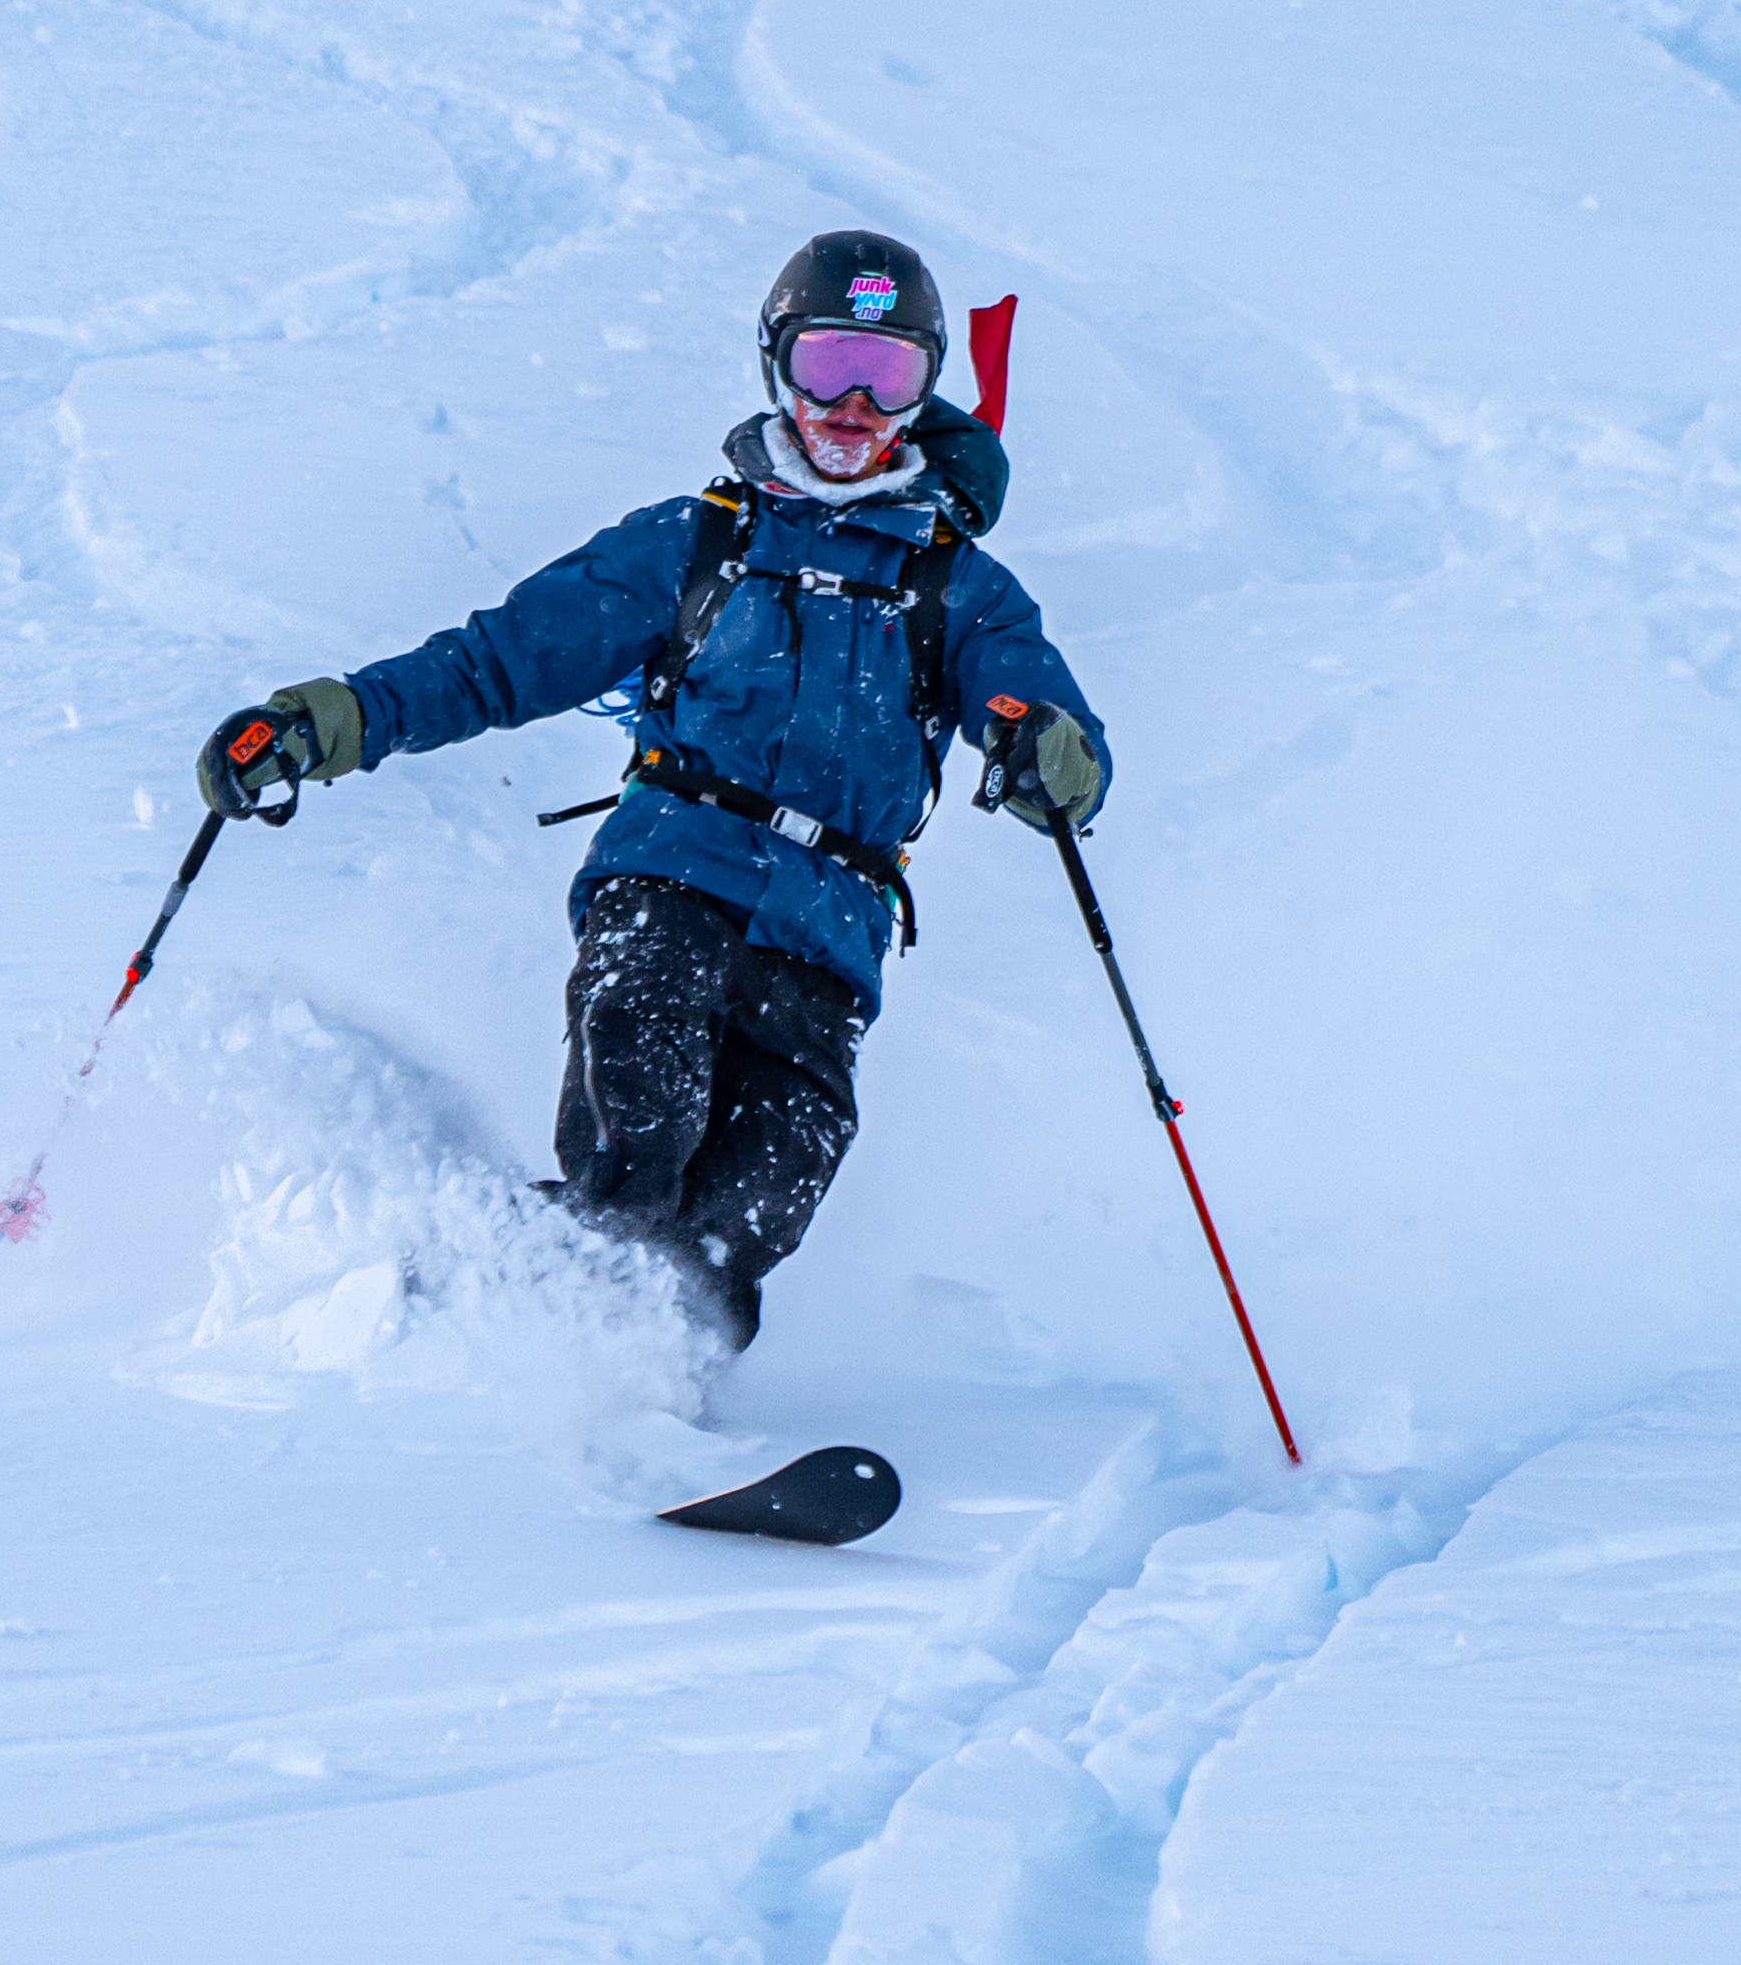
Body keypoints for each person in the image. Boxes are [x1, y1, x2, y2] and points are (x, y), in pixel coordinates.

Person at [194, 230, 1112, 1347]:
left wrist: (1043, 753)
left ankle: (640, 1398)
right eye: (828, 367)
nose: (853, 405)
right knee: (642, 1113)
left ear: (924, 394)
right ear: (777, 366)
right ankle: (482, 1331)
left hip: (828, 931)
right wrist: (325, 721)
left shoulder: (958, 589)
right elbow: (493, 663)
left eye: (890, 376)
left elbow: (1051, 730)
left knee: (760, 1195)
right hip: (670, 877)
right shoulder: (692, 543)